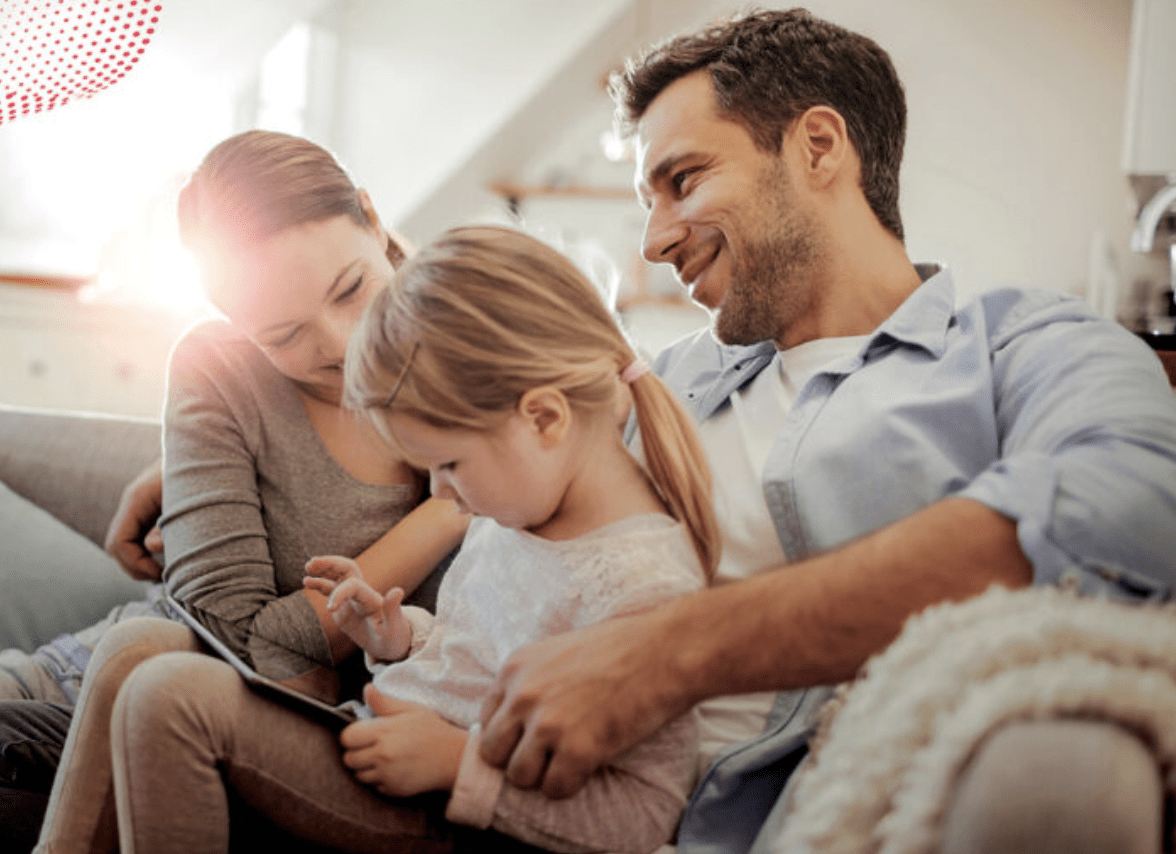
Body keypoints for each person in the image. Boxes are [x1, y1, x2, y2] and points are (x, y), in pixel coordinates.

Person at [475, 8, 1176, 854]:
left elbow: (1132, 510)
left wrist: (669, 654)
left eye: (684, 180)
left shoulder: (1023, 345)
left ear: (818, 147)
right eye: (647, 202)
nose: (655, 240)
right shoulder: (653, 387)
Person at [56, 225, 720, 854]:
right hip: (383, 739)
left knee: (169, 699)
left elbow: (645, 811)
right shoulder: (518, 512)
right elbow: (480, 660)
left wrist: (459, 767)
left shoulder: (640, 586)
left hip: (451, 818)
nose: (440, 495)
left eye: (450, 464)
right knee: (139, 648)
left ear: (542, 417)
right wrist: (401, 638)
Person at [3, 129, 466, 854]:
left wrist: (447, 509)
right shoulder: (220, 369)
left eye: (350, 288)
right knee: (135, 650)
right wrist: (444, 516)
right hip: (77, 688)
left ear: (373, 220)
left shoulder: (487, 343)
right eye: (283, 335)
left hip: (225, 723)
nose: (341, 346)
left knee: (146, 653)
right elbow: (240, 646)